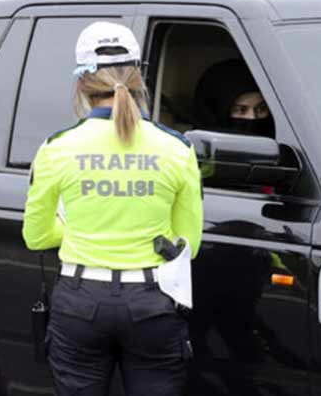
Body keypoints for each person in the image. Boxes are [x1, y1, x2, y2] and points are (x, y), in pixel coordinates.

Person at [22, 21, 203, 396]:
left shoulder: (57, 147)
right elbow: (189, 243)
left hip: (79, 301)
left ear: (81, 84)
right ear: (139, 78)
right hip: (152, 304)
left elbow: (35, 236)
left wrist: (75, 229)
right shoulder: (176, 147)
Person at [193, 58, 275, 138]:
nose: (252, 117)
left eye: (262, 108)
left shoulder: (283, 143)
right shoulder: (189, 149)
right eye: (240, 110)